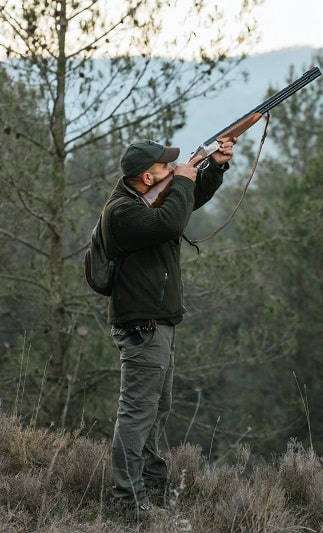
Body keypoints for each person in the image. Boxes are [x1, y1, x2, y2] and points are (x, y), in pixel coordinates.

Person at [102, 138, 235, 520]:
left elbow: (184, 203)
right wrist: (186, 178)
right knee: (137, 413)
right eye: (165, 168)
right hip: (143, 324)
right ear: (148, 176)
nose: (171, 170)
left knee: (157, 408)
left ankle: (152, 487)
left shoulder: (145, 199)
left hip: (157, 320)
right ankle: (127, 503)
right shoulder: (123, 213)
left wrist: (215, 167)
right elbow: (172, 218)